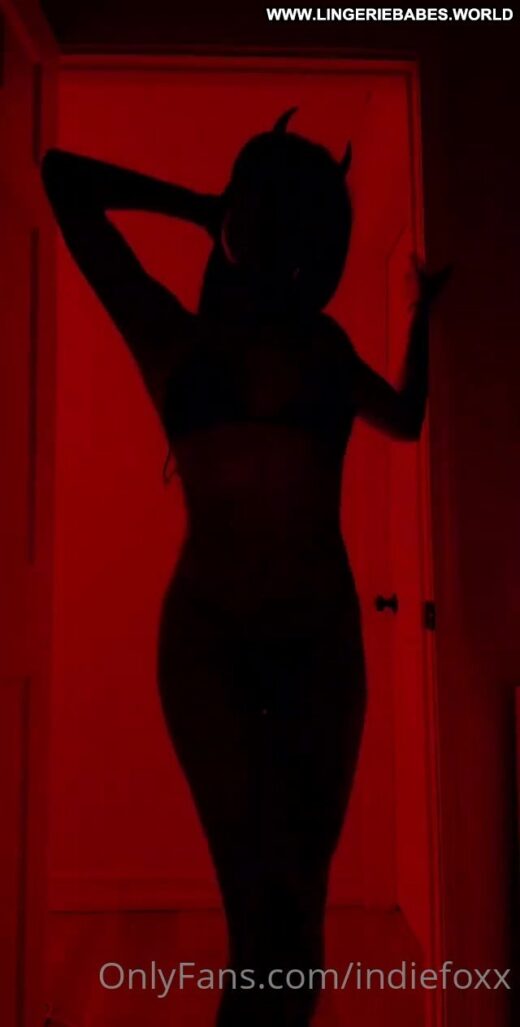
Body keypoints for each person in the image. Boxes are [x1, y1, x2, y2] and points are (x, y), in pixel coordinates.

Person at [41, 109, 450, 1027]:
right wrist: (200, 206)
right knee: (259, 917)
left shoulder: (319, 350)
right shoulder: (174, 337)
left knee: (296, 916)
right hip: (210, 648)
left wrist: (422, 316)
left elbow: (406, 418)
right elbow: (62, 177)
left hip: (318, 643)